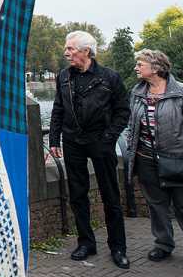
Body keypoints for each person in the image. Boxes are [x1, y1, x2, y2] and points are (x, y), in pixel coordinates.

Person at [125, 49, 183, 271]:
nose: (136, 67)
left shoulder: (182, 92)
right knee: (157, 206)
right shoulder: (137, 92)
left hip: (179, 159)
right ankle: (163, 244)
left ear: (155, 68)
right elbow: (131, 126)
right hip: (146, 160)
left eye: (140, 64)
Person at [49, 30, 131, 269]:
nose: (66, 52)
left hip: (101, 141)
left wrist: (108, 138)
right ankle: (86, 243)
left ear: (86, 51)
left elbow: (123, 111)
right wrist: (54, 140)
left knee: (110, 195)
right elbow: (58, 109)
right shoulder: (63, 76)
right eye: (67, 48)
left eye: (70, 48)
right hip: (73, 141)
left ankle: (118, 247)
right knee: (77, 194)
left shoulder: (110, 77)